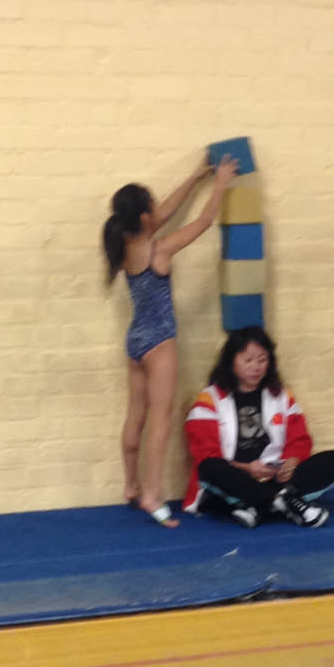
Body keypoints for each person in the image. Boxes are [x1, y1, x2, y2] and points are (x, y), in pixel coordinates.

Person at [103, 154, 238, 526]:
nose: (159, 209)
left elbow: (163, 212)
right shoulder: (159, 249)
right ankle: (152, 494)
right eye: (153, 205)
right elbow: (203, 222)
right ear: (144, 218)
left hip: (135, 340)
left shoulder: (126, 242)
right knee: (160, 419)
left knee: (136, 415)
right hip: (159, 341)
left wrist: (196, 177)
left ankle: (131, 485)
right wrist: (221, 183)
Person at [183, 325, 334, 528]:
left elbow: (300, 440)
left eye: (262, 360)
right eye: (248, 360)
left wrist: (291, 462)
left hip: (274, 476)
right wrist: (247, 468)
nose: (256, 367)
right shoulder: (210, 399)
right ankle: (285, 501)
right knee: (210, 469)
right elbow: (206, 454)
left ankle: (261, 505)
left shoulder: (281, 396)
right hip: (236, 476)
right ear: (231, 361)